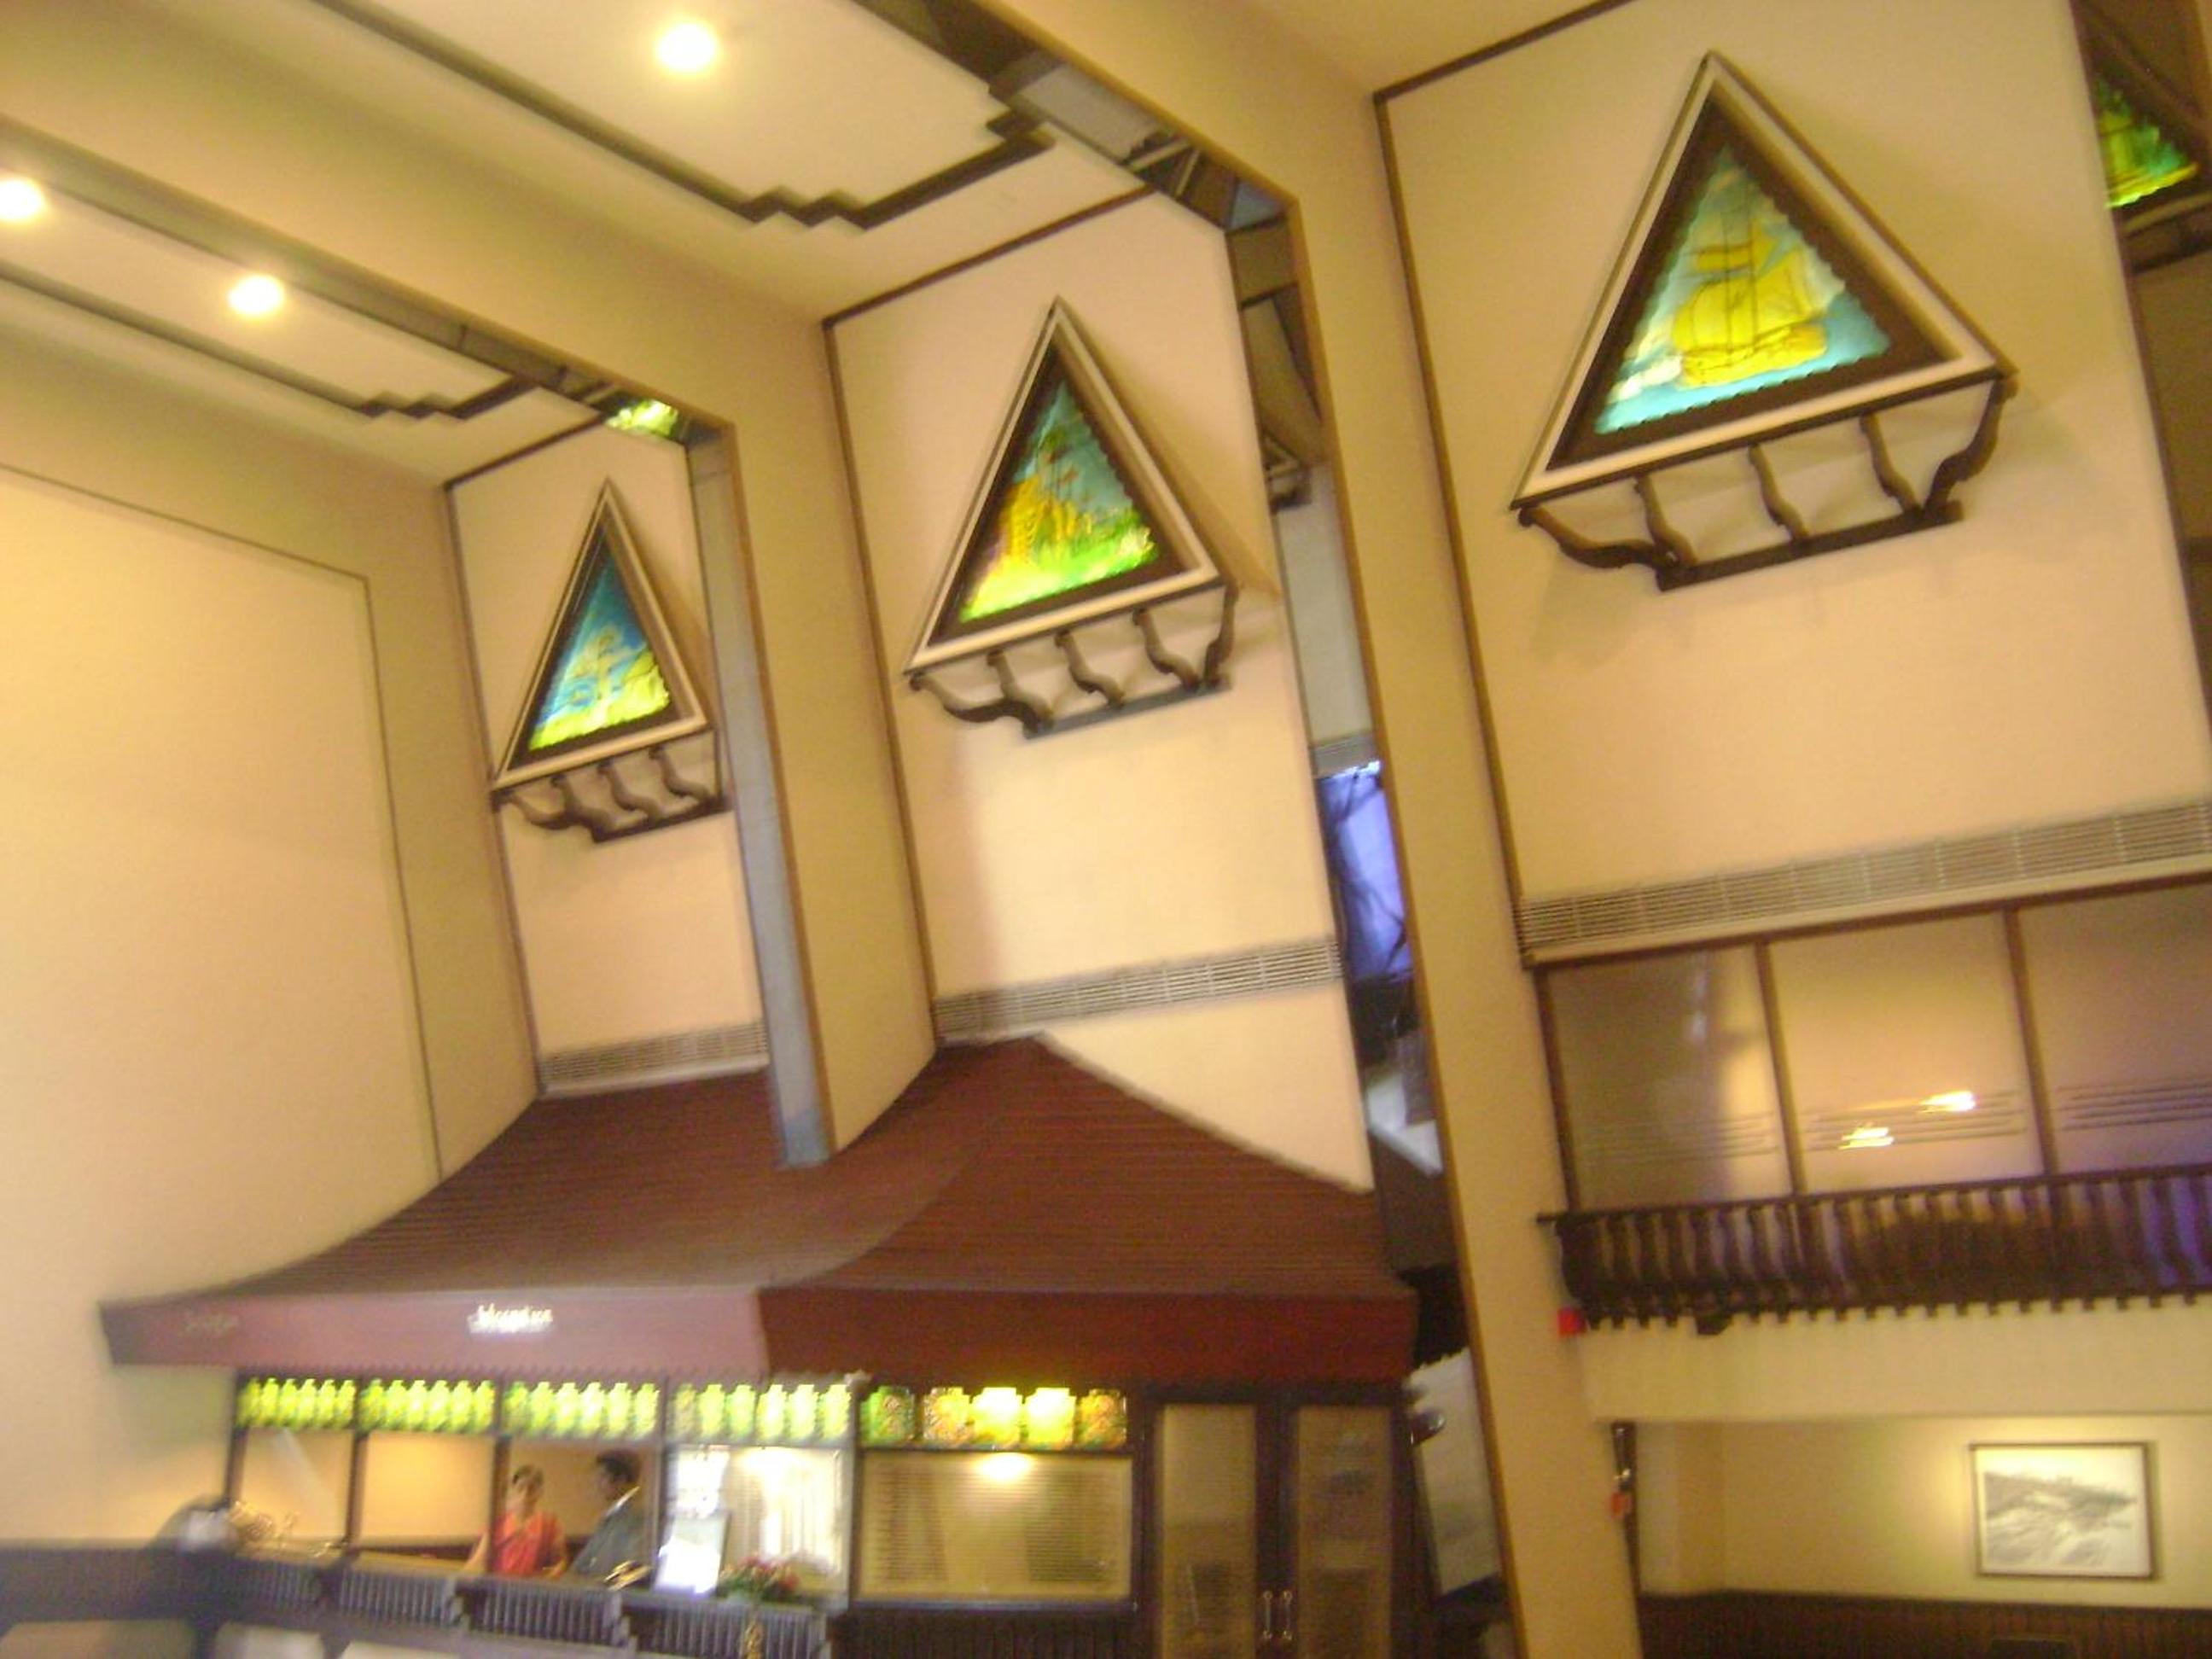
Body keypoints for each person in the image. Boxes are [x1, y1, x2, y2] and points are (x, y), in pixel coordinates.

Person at [463, 1464, 567, 1578]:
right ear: (513, 1490)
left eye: (531, 1489)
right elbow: (478, 1559)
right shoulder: (498, 1524)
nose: (525, 1494)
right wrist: (461, 1577)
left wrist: (549, 1578)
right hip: (499, 1584)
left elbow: (560, 1562)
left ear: (540, 1492)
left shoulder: (550, 1524)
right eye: (520, 1488)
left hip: (532, 1586)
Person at [568, 1450, 650, 1583]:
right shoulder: (613, 1515)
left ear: (621, 1480)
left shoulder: (636, 1517)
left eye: (602, 1477)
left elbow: (630, 1572)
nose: (597, 1484)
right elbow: (581, 1564)